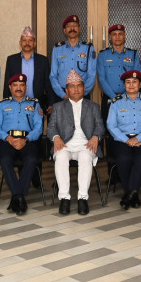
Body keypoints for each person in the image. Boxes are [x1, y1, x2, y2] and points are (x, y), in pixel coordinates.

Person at [48, 70, 104, 216]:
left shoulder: (93, 106)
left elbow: (100, 126)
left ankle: (82, 198)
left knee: (85, 157)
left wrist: (95, 137)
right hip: (64, 144)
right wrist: (56, 137)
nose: (76, 89)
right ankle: (64, 198)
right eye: (72, 86)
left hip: (86, 144)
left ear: (84, 88)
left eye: (79, 86)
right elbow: (51, 128)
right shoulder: (58, 107)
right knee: (61, 157)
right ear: (66, 90)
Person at [0, 73, 44, 215]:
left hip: (28, 140)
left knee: (31, 159)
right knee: (5, 159)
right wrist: (8, 138)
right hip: (7, 140)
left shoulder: (34, 104)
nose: (18, 88)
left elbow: (39, 128)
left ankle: (16, 196)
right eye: (15, 85)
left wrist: (25, 139)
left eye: (21, 85)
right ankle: (20, 197)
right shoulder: (3, 104)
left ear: (26, 87)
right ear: (10, 87)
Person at [106, 70, 141, 210]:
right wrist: (127, 140)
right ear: (124, 85)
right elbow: (111, 125)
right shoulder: (116, 103)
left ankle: (129, 194)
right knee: (124, 158)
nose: (131, 85)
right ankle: (133, 194)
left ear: (140, 85)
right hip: (121, 139)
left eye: (134, 82)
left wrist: (138, 138)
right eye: (128, 82)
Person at [3, 26, 53, 114]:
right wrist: (6, 103)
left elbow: (48, 83)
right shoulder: (11, 60)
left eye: (30, 40)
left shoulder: (43, 60)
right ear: (20, 43)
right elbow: (7, 83)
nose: (27, 43)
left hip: (38, 105)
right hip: (16, 104)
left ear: (35, 43)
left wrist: (51, 103)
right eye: (24, 40)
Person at [96, 24, 140, 119]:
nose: (117, 37)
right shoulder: (103, 55)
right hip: (109, 98)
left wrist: (125, 96)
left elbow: (137, 78)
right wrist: (114, 97)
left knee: (129, 125)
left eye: (120, 34)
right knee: (108, 126)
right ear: (109, 37)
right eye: (114, 34)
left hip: (129, 98)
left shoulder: (133, 54)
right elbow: (101, 79)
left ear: (125, 36)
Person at [50, 15, 96, 99]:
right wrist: (63, 95)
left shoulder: (88, 48)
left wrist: (82, 93)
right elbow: (53, 75)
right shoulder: (57, 48)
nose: (72, 28)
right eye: (68, 26)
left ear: (79, 28)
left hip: (83, 95)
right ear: (64, 30)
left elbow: (92, 74)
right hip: (62, 95)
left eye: (75, 25)